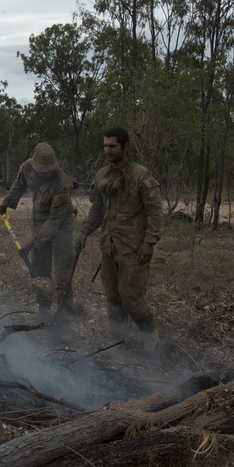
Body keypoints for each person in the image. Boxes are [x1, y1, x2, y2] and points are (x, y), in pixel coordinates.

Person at [75, 127, 163, 352]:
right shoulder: (102, 175)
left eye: (112, 146)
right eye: (105, 146)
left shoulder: (141, 175)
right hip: (109, 247)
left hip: (133, 249)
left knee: (131, 298)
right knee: (113, 299)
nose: (107, 150)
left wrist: (149, 242)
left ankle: (151, 340)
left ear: (125, 147)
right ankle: (120, 342)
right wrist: (85, 232)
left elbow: (155, 211)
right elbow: (97, 209)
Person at [0, 142, 75, 313]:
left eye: (49, 170)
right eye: (42, 169)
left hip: (62, 224)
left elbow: (54, 222)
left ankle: (64, 316)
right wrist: (6, 203)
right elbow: (18, 185)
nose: (46, 173)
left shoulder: (62, 183)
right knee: (39, 270)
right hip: (39, 220)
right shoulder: (27, 168)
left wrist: (31, 244)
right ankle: (44, 310)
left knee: (63, 274)